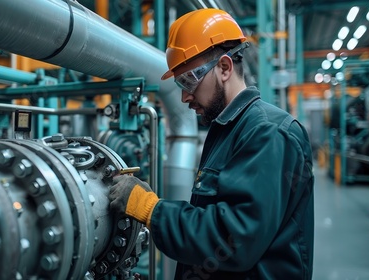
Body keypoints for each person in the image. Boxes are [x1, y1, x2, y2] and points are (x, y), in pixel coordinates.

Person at [109, 8, 314, 279]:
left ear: (225, 68)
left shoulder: (268, 133)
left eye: (188, 80)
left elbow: (235, 240)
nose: (184, 97)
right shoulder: (227, 130)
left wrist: (151, 209)